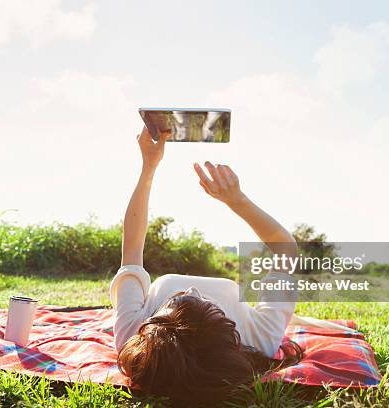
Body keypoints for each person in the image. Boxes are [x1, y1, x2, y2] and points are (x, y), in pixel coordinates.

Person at [111, 127, 302, 404]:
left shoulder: (137, 338)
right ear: (230, 335)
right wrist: (238, 201)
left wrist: (149, 167)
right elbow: (285, 248)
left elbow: (131, 248)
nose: (192, 287)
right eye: (208, 304)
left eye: (178, 299)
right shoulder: (259, 340)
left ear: (155, 324)